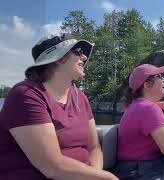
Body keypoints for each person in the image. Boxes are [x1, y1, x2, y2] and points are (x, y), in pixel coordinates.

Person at [0, 33, 118, 180]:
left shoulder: (80, 97)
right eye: (78, 50)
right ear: (57, 58)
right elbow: (52, 166)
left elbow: (94, 147)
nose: (84, 57)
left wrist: (95, 174)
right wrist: (107, 177)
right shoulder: (26, 94)